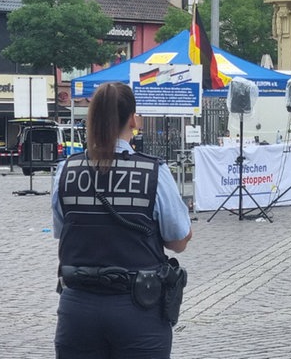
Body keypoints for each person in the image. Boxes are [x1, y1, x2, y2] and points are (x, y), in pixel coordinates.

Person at [51, 82, 192, 358]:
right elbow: (178, 241)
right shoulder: (154, 172)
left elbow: (63, 231)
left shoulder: (65, 171)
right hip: (138, 310)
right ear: (133, 119)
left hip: (78, 309)